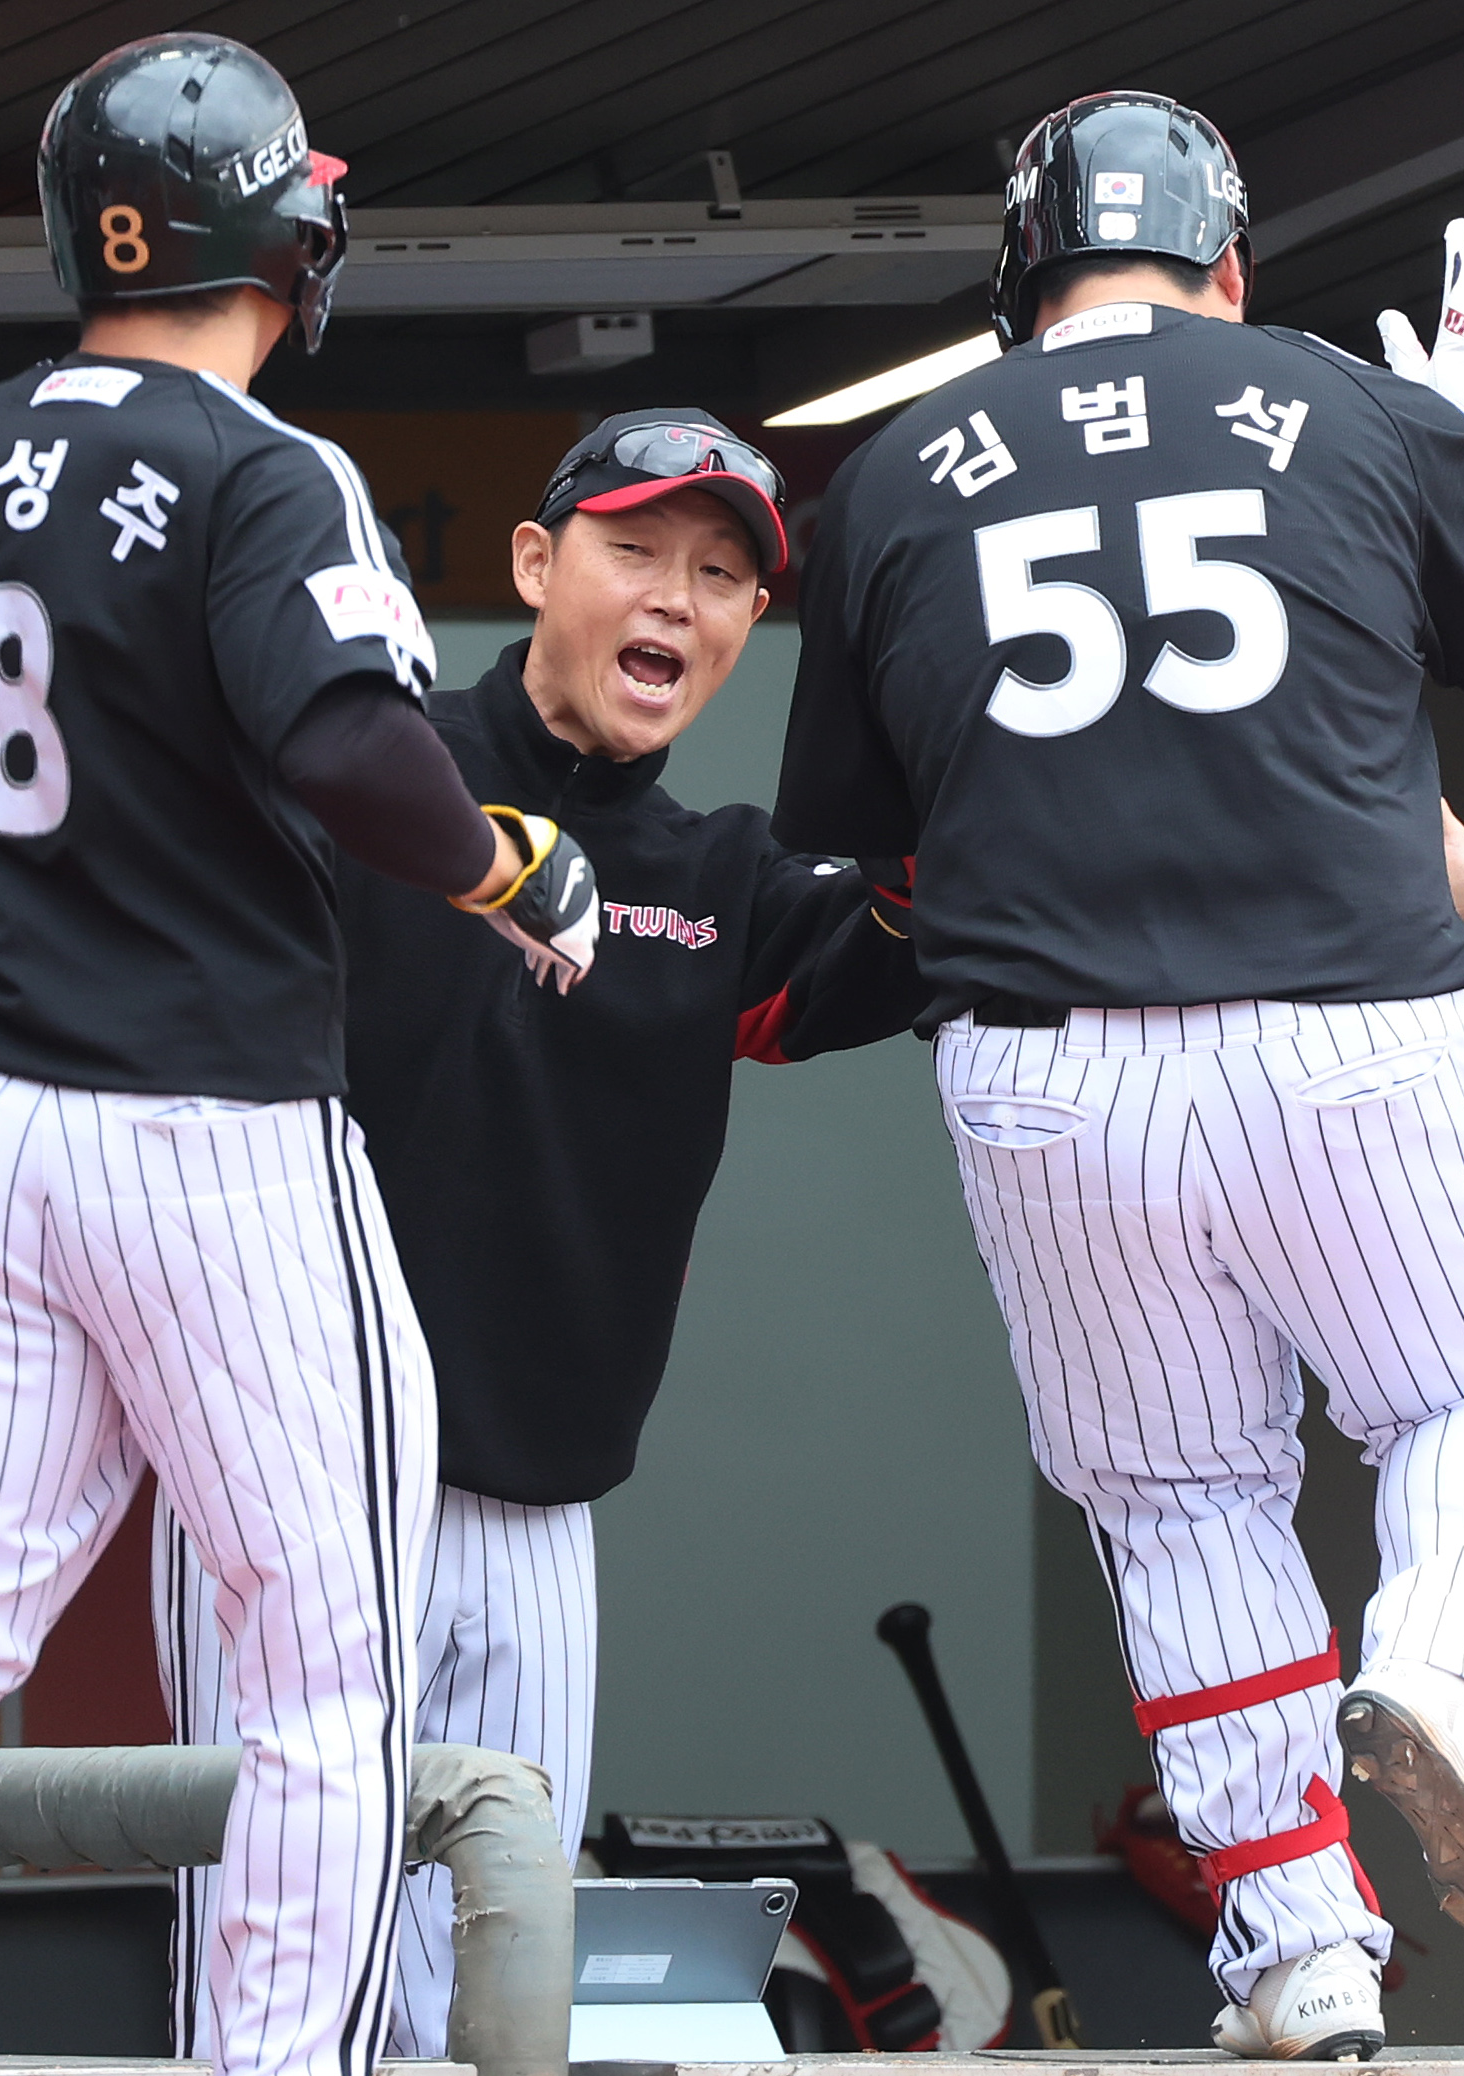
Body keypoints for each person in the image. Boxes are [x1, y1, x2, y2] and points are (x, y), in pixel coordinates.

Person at [773, 89, 1464, 2060]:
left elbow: (851, 816)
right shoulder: (1336, 399)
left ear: (1020, 281)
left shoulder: (903, 465)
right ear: (1228, 263)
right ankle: (1443, 1681)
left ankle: (1301, 1954)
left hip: (1045, 1077)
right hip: (1348, 1022)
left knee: (1179, 1504)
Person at [157, 409, 930, 2056]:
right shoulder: (366, 787)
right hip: (286, 1467)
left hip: (536, 1509)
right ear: (535, 563)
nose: (679, 599)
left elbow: (947, 921)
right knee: (276, 1955)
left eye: (722, 576)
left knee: (490, 1987)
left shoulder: (729, 884)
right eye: (637, 552)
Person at [0, 36, 596, 2076]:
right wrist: (511, 862)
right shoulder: (264, 465)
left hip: (5, 1128)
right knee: (325, 1662)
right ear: (281, 225)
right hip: (213, 1137)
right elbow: (352, 743)